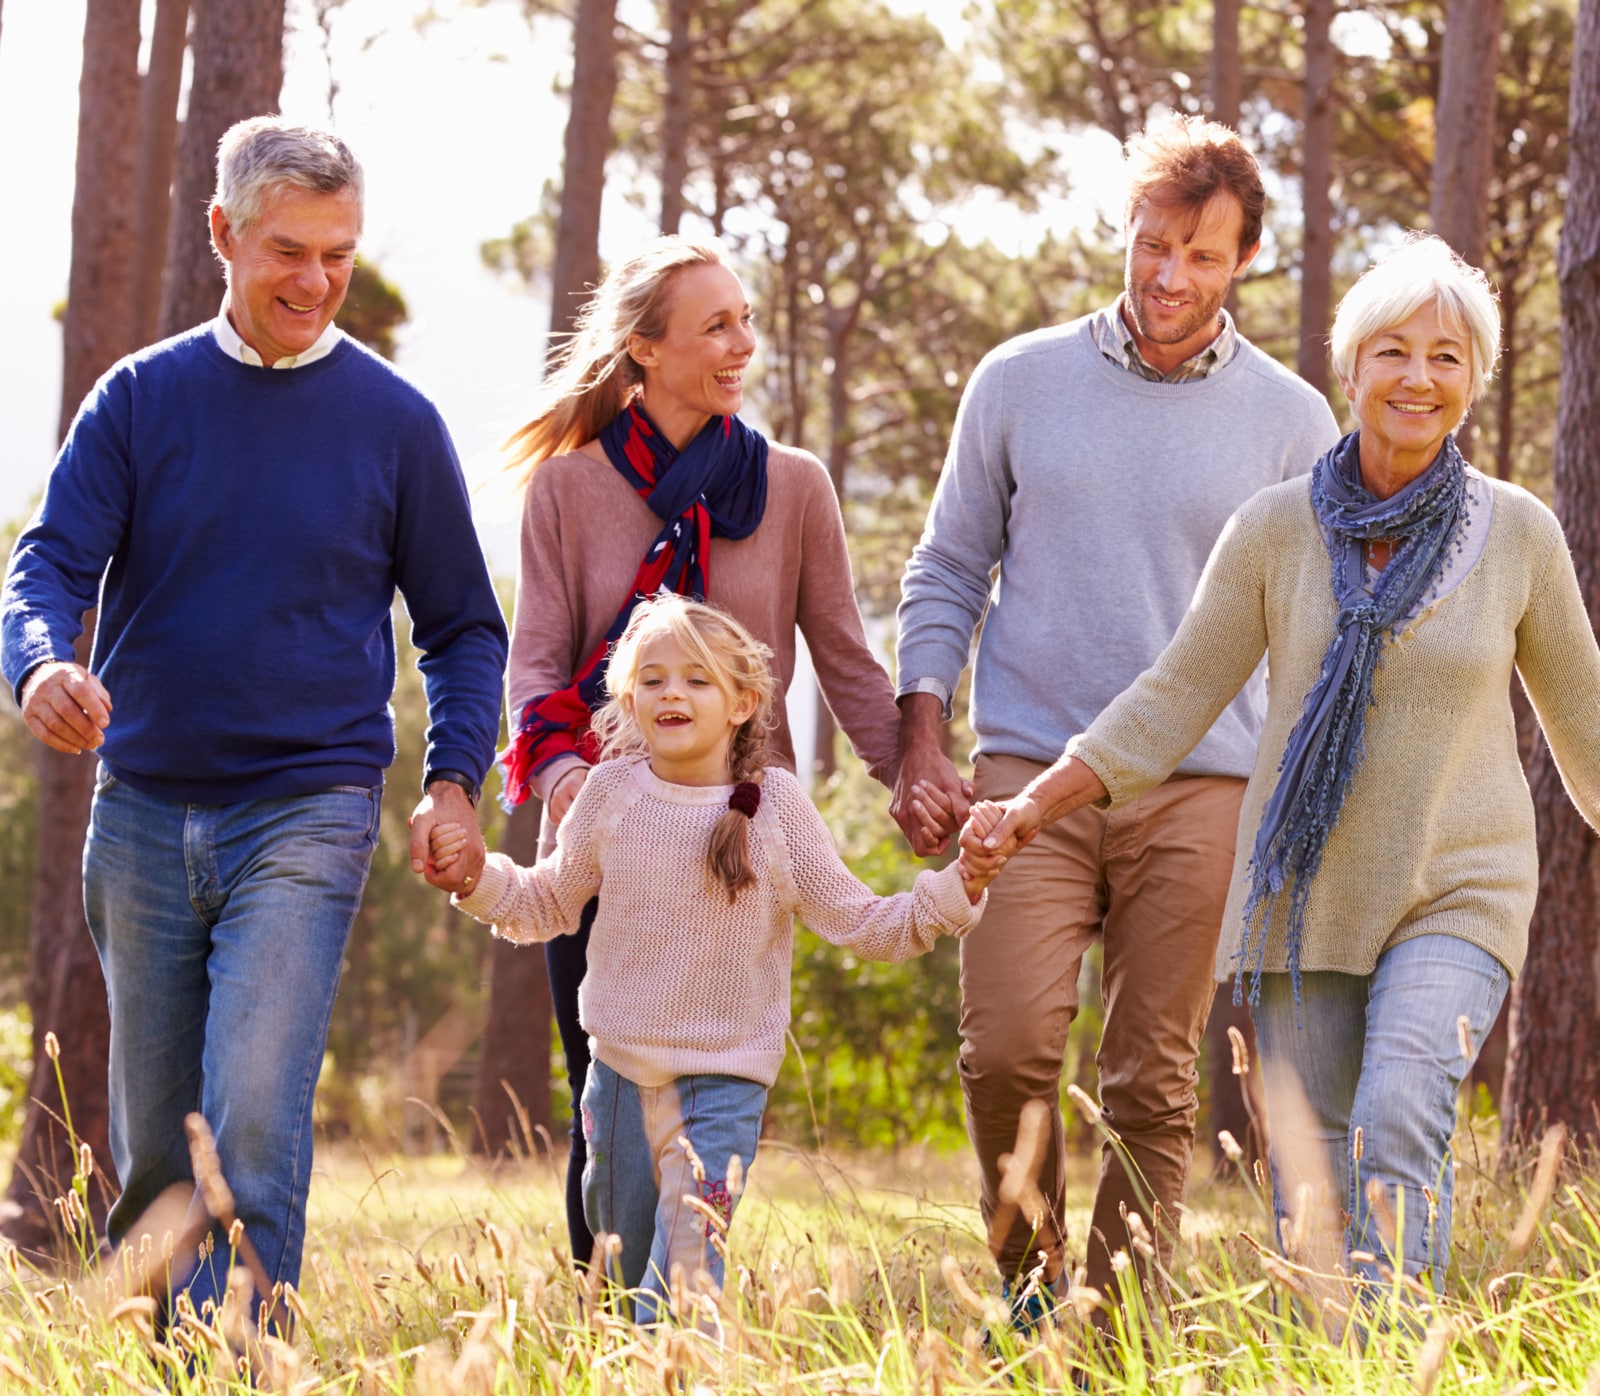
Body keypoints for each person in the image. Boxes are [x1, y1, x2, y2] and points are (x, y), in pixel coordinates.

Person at [965, 235, 1600, 1295]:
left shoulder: (1518, 536)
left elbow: (1587, 723)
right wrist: (1036, 799)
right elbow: (1171, 696)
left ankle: (1403, 1379)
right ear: (1348, 371)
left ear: (1474, 382)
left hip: (1460, 887)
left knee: (1401, 1107)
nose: (1417, 377)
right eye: (1392, 351)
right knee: (1312, 1174)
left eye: (1446, 357)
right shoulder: (1275, 531)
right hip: (1305, 894)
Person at [0, 118, 507, 1314]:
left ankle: (243, 1386)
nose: (316, 280)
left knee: (254, 1110)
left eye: (338, 254)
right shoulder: (139, 399)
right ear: (223, 233)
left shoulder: (395, 424)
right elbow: (48, 567)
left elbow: (463, 627)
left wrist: (450, 782)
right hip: (141, 815)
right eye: (288, 250)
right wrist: (36, 669)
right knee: (157, 1145)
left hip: (310, 807)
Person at [893, 115, 1340, 1319]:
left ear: (1241, 260)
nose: (1166, 277)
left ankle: (1118, 1326)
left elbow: (1311, 626)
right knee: (1007, 1045)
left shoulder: (1293, 423)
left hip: (1202, 782)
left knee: (1150, 1078)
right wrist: (921, 735)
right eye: (1151, 245)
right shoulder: (1019, 380)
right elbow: (946, 568)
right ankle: (1029, 1291)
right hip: (1026, 774)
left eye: (1199, 255)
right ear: (1126, 234)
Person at [501, 237, 934, 1272]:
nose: (744, 344)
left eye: (746, 319)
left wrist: (910, 780)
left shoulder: (791, 487)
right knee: (604, 1106)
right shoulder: (565, 491)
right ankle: (610, 1326)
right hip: (605, 841)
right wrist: (574, 790)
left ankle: (684, 1319)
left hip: (737, 843)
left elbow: (843, 656)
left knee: (713, 1104)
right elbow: (535, 665)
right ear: (644, 350)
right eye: (717, 326)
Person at [435, 595, 989, 1320]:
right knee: (627, 1279)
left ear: (742, 703)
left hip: (723, 1087)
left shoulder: (775, 810)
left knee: (686, 1282)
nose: (673, 693)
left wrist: (960, 886)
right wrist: (477, 879)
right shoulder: (610, 794)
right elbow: (547, 903)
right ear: (630, 699)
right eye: (654, 679)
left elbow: (864, 924)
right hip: (620, 1082)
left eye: (697, 680)